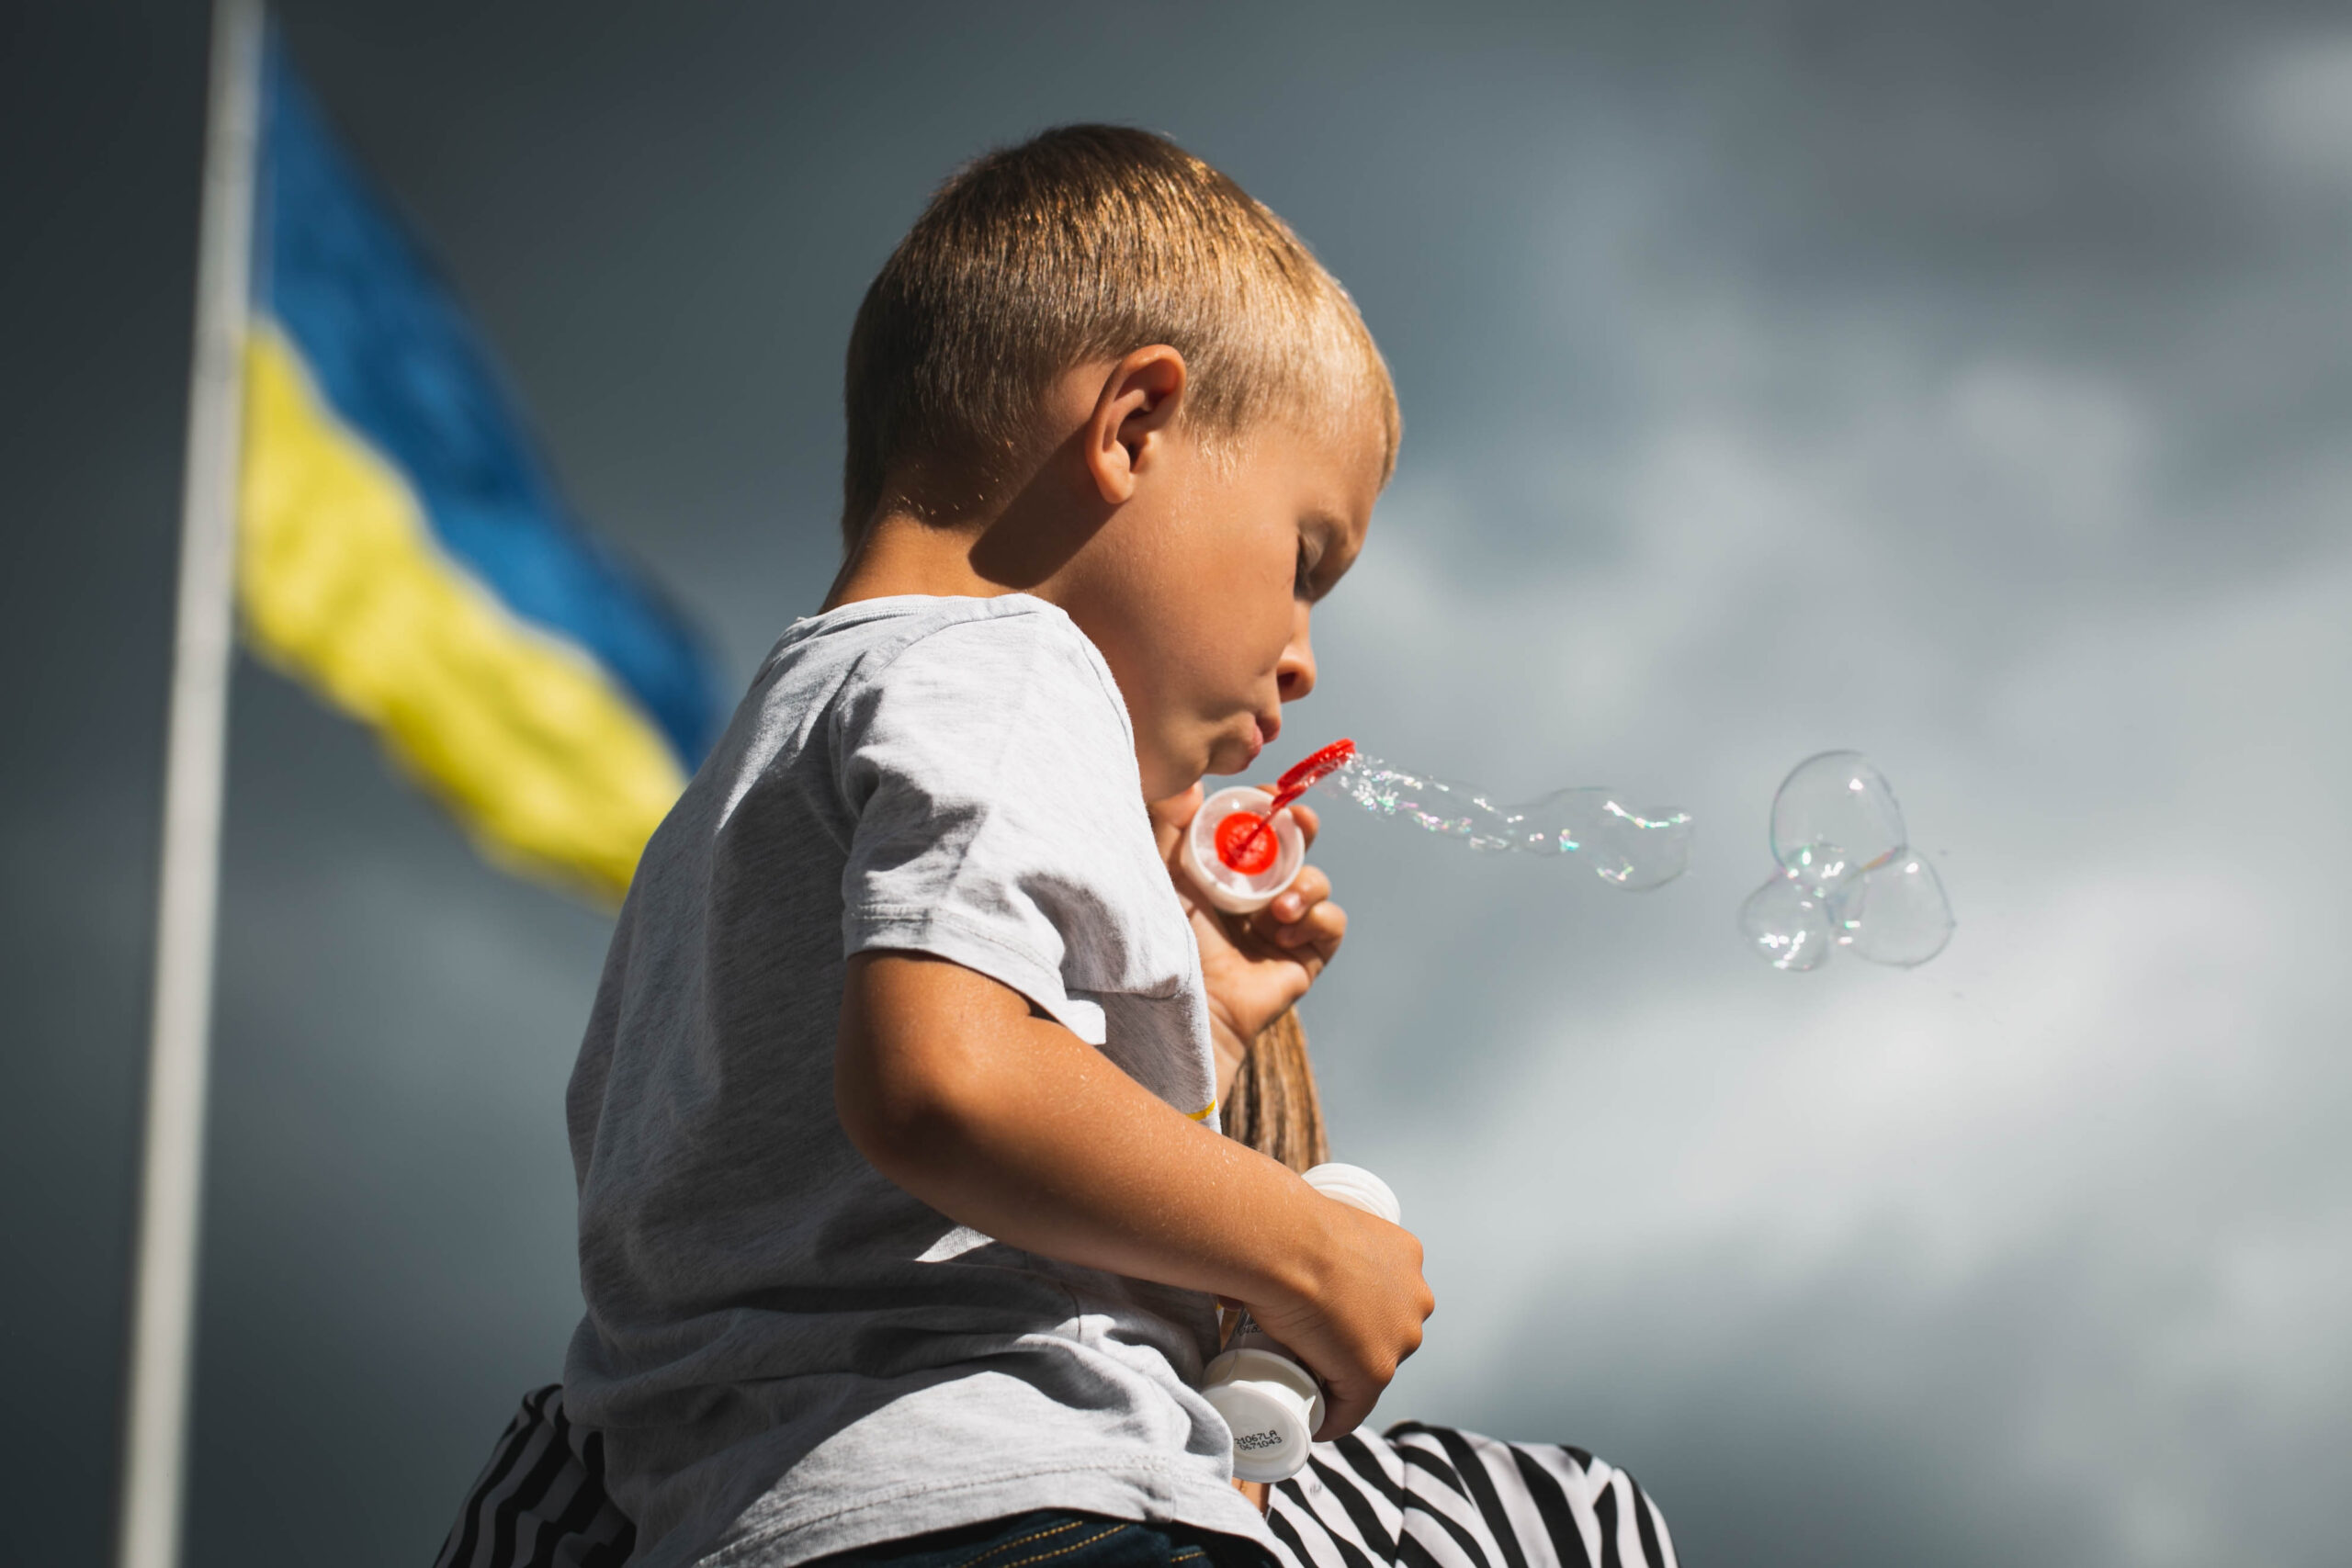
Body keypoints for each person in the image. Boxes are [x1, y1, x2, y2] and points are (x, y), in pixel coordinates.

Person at [438, 125, 1676, 1568]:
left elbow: (847, 1181)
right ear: (1135, 426)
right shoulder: (1013, 663)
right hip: (1014, 1511)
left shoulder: (742, 780)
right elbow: (945, 1089)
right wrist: (1302, 1246)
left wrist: (1195, 1010)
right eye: (1305, 561)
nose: (1303, 660)